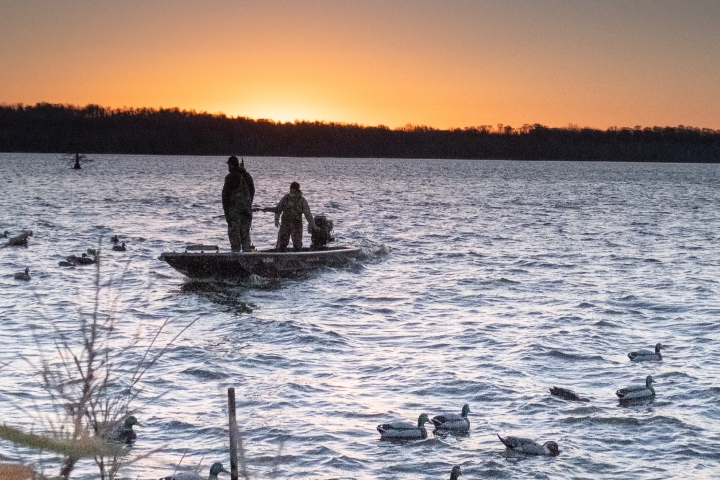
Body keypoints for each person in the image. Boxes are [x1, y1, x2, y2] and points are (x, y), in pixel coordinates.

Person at [222, 156, 255, 252]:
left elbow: (225, 196)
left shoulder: (230, 177)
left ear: (231, 164)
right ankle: (246, 254)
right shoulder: (247, 176)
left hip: (235, 211)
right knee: (245, 233)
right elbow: (252, 190)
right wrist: (248, 203)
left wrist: (227, 212)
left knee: (234, 233)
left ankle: (236, 255)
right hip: (247, 210)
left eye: (228, 164)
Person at [274, 182, 317, 252]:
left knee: (297, 244)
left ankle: (298, 256)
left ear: (297, 191)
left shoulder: (302, 200)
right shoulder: (285, 198)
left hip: (297, 225)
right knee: (282, 243)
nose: (292, 193)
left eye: (293, 191)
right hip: (285, 224)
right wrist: (276, 220)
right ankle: (281, 256)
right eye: (291, 191)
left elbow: (308, 214)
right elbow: (278, 209)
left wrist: (313, 225)